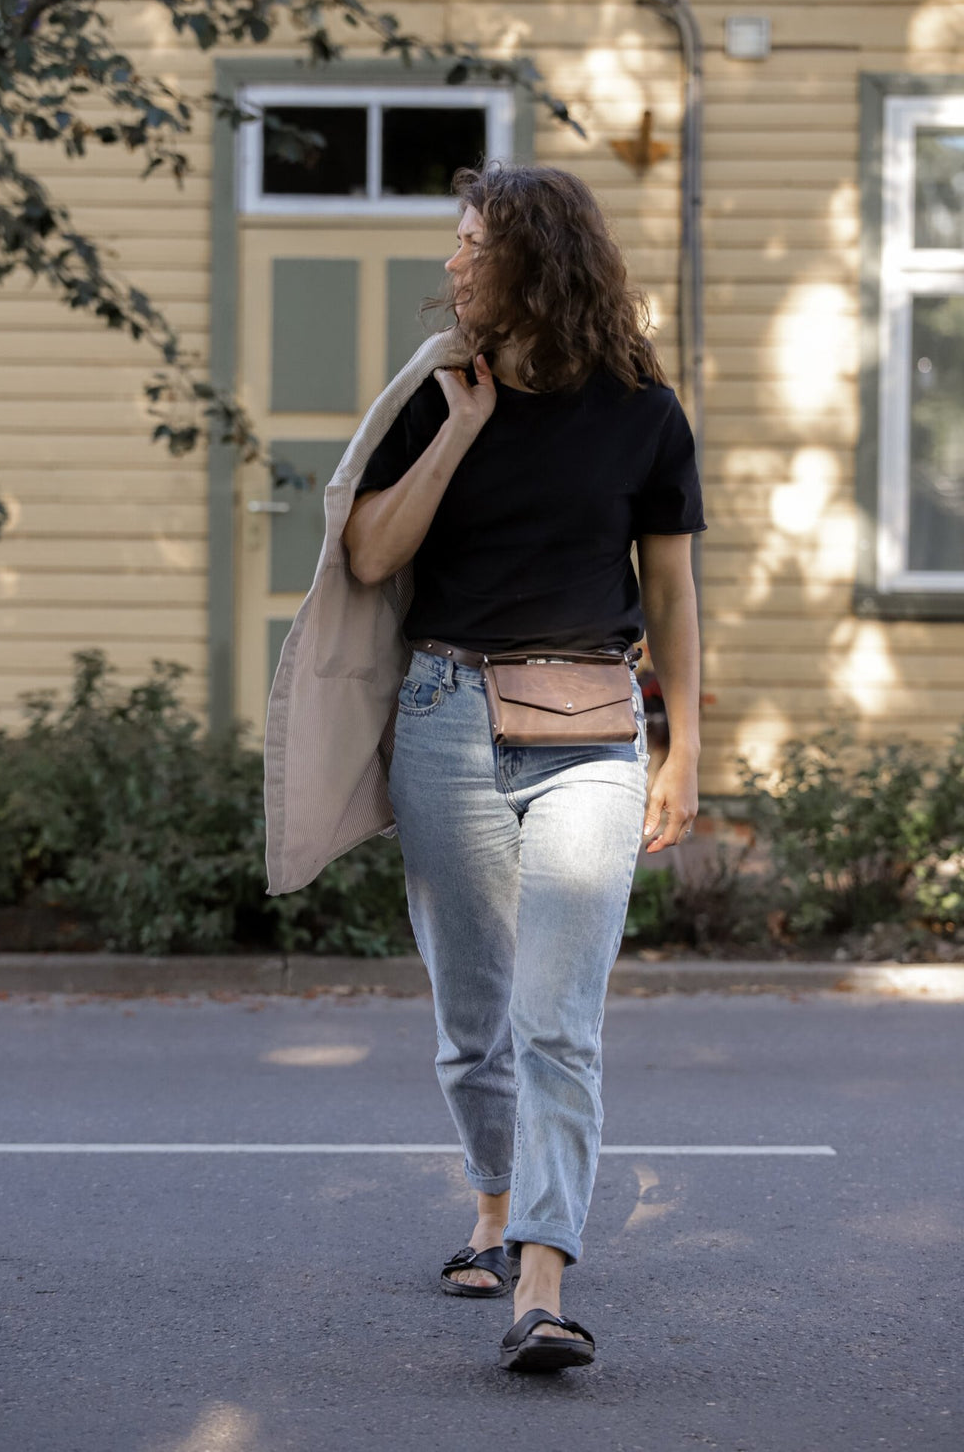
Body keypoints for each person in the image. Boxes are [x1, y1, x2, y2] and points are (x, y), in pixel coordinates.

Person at [340, 162, 705, 1373]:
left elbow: (672, 592)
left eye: (466, 241)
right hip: (445, 711)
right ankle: (493, 1203)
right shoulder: (438, 390)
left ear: (532, 258)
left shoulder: (643, 411)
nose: (449, 261)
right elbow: (368, 548)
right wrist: (460, 430)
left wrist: (685, 742)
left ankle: (539, 1278)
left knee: (559, 1019)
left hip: (592, 723)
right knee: (473, 1016)